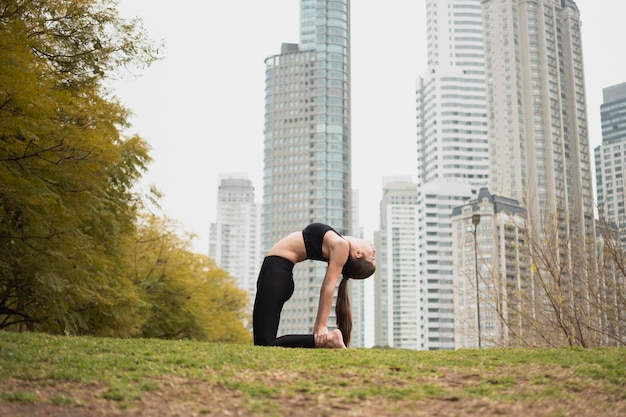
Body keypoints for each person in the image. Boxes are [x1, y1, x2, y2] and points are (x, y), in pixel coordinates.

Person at [253, 223, 376, 349]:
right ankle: (322, 340)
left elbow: (328, 286)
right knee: (262, 343)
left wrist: (321, 325)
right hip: (276, 275)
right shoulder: (338, 243)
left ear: (358, 254)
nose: (374, 250)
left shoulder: (341, 246)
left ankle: (328, 339)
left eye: (372, 257)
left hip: (276, 275)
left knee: (264, 345)